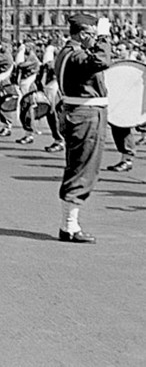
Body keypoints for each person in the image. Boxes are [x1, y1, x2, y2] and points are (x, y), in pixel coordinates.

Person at [54, 14, 112, 244]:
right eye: (93, 36)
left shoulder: (67, 53)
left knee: (78, 167)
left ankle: (69, 224)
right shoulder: (76, 56)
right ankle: (69, 227)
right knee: (83, 170)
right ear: (83, 35)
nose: (95, 40)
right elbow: (102, 61)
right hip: (86, 117)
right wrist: (105, 37)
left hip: (81, 114)